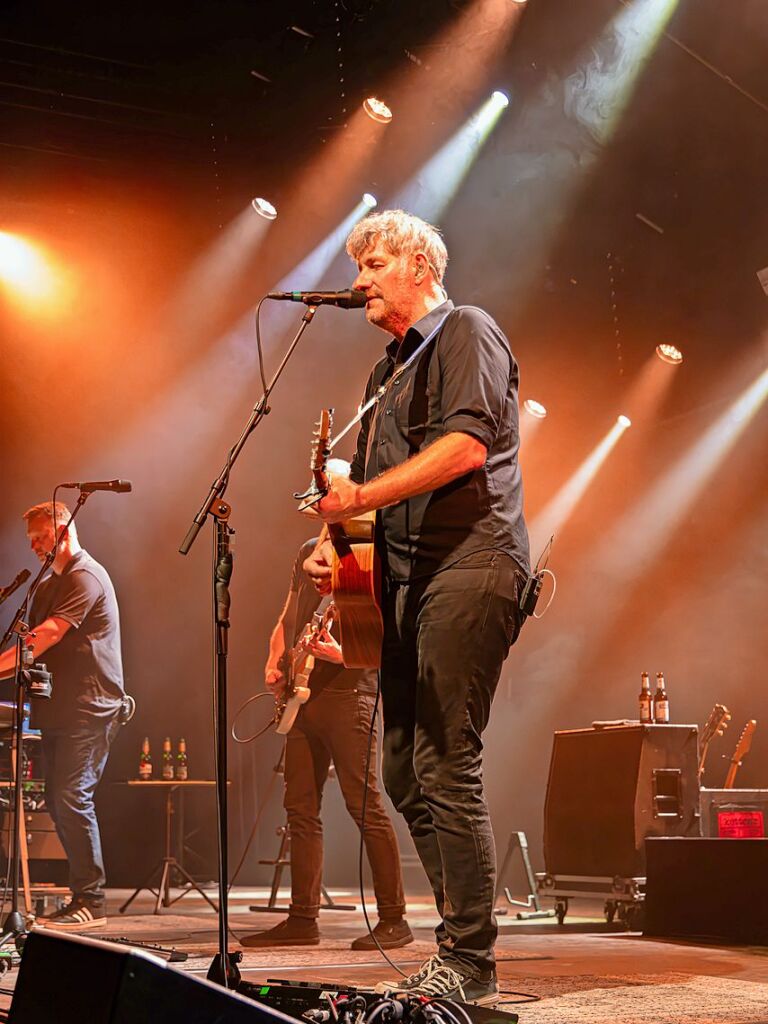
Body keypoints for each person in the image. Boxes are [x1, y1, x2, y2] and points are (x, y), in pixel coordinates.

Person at [304, 210, 530, 1004]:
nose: (359, 280)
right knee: (402, 770)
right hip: (400, 582)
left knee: (444, 756)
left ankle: (469, 959)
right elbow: (364, 504)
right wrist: (342, 552)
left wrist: (360, 494)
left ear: (418, 266)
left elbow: (468, 446)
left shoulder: (466, 329)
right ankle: (468, 928)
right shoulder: (382, 376)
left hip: (472, 564)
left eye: (371, 263)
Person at [241, 523, 412, 950]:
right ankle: (302, 918)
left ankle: (395, 919)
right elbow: (288, 614)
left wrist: (343, 652)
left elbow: (394, 630)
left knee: (365, 805)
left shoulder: (372, 554)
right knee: (299, 809)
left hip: (350, 692)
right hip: (303, 694)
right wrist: (274, 658)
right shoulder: (306, 550)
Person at [0, 501, 125, 929]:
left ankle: (92, 901)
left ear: (64, 530)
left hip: (90, 708)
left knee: (72, 797)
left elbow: (47, 635)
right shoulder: (48, 583)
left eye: (40, 537)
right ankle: (82, 896)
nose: (34, 546)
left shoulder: (84, 577)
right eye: (31, 539)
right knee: (58, 799)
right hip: (59, 710)